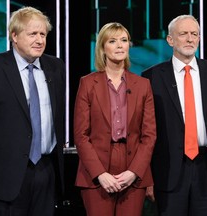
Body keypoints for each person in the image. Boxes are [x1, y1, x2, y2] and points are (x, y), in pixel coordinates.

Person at [0, 6, 66, 216]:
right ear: (14, 36)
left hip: (45, 170)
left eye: (43, 34)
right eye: (32, 34)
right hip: (3, 174)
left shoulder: (55, 66)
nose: (40, 40)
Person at [142, 14, 207, 216]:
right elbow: (146, 130)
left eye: (194, 34)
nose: (190, 39)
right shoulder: (151, 77)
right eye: (183, 34)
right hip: (168, 171)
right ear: (170, 40)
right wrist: (147, 176)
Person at [73, 22, 156, 216]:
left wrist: (134, 172)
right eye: (112, 41)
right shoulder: (87, 83)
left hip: (132, 168)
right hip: (97, 169)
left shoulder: (143, 85)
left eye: (124, 40)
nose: (120, 45)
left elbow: (149, 135)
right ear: (102, 47)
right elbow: (81, 135)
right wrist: (100, 174)